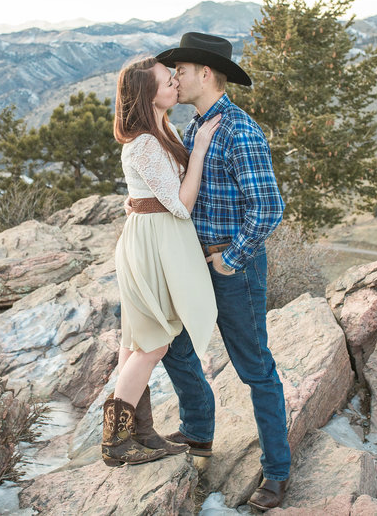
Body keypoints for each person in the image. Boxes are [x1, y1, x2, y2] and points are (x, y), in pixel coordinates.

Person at [155, 32, 290, 510]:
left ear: (205, 74)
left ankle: (277, 471)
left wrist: (230, 260)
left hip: (234, 268)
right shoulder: (197, 126)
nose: (176, 78)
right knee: (170, 341)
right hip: (197, 261)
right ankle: (197, 432)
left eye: (183, 71)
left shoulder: (239, 130)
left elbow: (269, 209)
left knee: (255, 369)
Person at [103, 55, 221, 467]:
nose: (174, 83)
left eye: (173, 77)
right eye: (165, 80)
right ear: (146, 94)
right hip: (153, 244)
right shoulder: (147, 142)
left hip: (153, 238)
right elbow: (181, 204)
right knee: (152, 345)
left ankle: (140, 431)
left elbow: (148, 193)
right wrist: (202, 147)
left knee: (137, 342)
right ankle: (116, 444)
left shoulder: (160, 130)